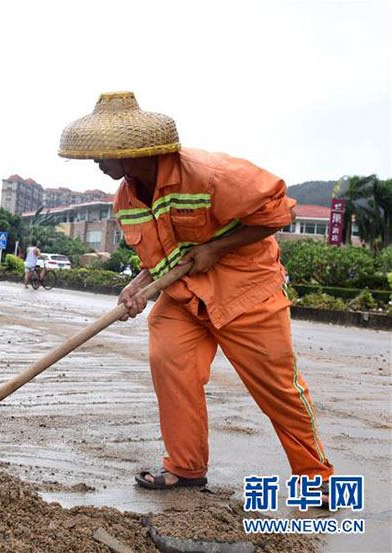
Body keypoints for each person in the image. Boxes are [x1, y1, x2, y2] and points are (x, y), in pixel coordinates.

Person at [58, 92, 332, 498]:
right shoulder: (126, 198)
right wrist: (138, 284)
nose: (97, 162)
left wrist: (215, 249)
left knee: (278, 388)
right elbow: (161, 256)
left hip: (247, 292)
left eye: (101, 154)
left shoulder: (211, 174)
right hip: (185, 297)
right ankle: (185, 468)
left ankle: (317, 479)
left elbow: (279, 213)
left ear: (129, 151)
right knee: (168, 357)